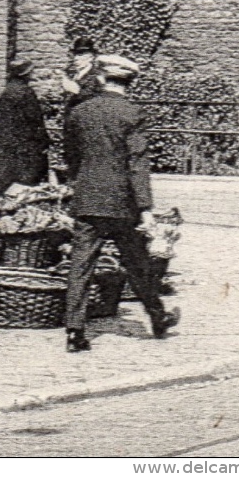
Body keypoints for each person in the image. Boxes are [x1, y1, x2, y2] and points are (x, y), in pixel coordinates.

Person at [62, 54, 180, 352]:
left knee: (80, 266)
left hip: (87, 199)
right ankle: (157, 317)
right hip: (122, 204)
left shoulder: (80, 112)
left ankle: (75, 332)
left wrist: (77, 185)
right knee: (137, 265)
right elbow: (137, 164)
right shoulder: (133, 114)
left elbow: (71, 157)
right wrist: (145, 208)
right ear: (130, 82)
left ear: (101, 78)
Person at [0, 58, 50, 195]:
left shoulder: (7, 91)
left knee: (7, 178)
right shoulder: (26, 93)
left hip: (7, 142)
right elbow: (35, 120)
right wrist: (44, 141)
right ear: (26, 74)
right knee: (26, 181)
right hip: (25, 145)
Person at [61, 36, 99, 115]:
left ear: (91, 57)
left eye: (80, 54)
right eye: (75, 54)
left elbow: (93, 102)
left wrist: (76, 90)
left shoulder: (96, 76)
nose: (75, 58)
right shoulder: (72, 75)